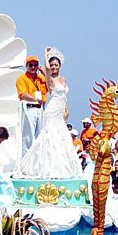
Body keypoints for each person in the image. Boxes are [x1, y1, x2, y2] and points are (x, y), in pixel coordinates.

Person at [18, 47, 81, 178]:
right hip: (51, 111)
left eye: (56, 65)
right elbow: (46, 69)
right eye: (52, 65)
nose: (53, 67)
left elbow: (64, 96)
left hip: (60, 110)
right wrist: (46, 54)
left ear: (60, 66)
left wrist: (66, 109)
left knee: (62, 138)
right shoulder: (49, 79)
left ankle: (62, 167)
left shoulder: (63, 79)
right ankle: (44, 167)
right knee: (50, 137)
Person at [16, 55, 48, 157]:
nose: (33, 67)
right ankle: (25, 161)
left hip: (41, 109)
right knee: (28, 137)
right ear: (26, 66)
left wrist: (44, 72)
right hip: (29, 108)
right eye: (31, 65)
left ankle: (37, 162)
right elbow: (23, 94)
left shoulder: (41, 78)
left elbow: (51, 86)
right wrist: (35, 100)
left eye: (35, 65)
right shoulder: (22, 79)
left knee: (40, 137)